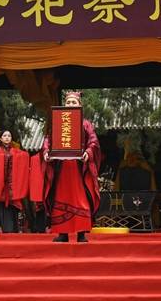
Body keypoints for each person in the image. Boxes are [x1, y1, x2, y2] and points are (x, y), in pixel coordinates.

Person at [43, 91, 101, 243]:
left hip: (78, 167)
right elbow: (48, 140)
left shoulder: (85, 123)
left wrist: (88, 152)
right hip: (62, 168)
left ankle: (81, 233)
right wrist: (46, 152)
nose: (70, 105)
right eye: (68, 103)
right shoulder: (58, 121)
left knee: (80, 198)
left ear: (80, 105)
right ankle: (63, 233)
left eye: (73, 103)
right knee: (60, 197)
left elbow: (93, 142)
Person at [0, 130, 30, 233]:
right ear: (0, 138)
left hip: (11, 188)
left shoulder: (16, 152)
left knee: (11, 208)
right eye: (4, 136)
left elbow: (25, 156)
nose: (7, 138)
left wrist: (11, 158)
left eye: (9, 136)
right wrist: (5, 158)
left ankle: (12, 229)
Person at [27, 150, 47, 233]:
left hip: (40, 186)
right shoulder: (34, 159)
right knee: (40, 208)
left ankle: (40, 228)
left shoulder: (34, 159)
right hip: (40, 186)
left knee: (40, 208)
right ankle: (41, 227)